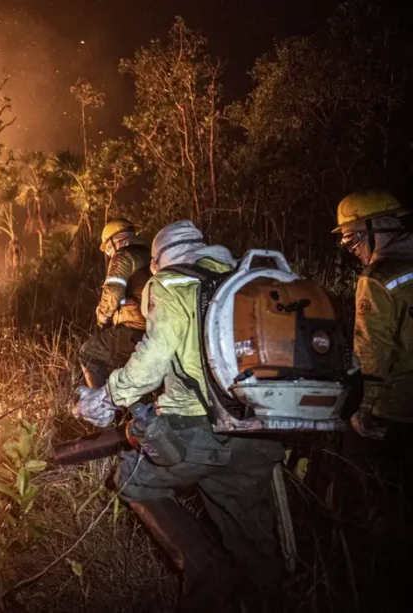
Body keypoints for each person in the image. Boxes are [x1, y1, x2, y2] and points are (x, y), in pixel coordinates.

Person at [75, 220, 284, 612]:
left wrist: (107, 398)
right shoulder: (243, 279)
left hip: (197, 431)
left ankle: (206, 569)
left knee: (133, 481)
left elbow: (153, 359)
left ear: (157, 261)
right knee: (250, 539)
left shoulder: (170, 282)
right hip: (259, 432)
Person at [333, 190, 413, 607]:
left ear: (376, 225)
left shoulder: (380, 276)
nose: (352, 248)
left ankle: (377, 582)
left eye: (352, 237)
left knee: (371, 491)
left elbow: (372, 350)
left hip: (395, 408)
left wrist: (364, 409)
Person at [78, 218, 151, 388]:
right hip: (156, 329)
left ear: (115, 240)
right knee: (125, 372)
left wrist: (102, 316)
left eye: (109, 248)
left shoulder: (123, 255)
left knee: (88, 353)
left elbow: (113, 290)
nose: (109, 253)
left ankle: (99, 408)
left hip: (135, 329)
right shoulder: (148, 254)